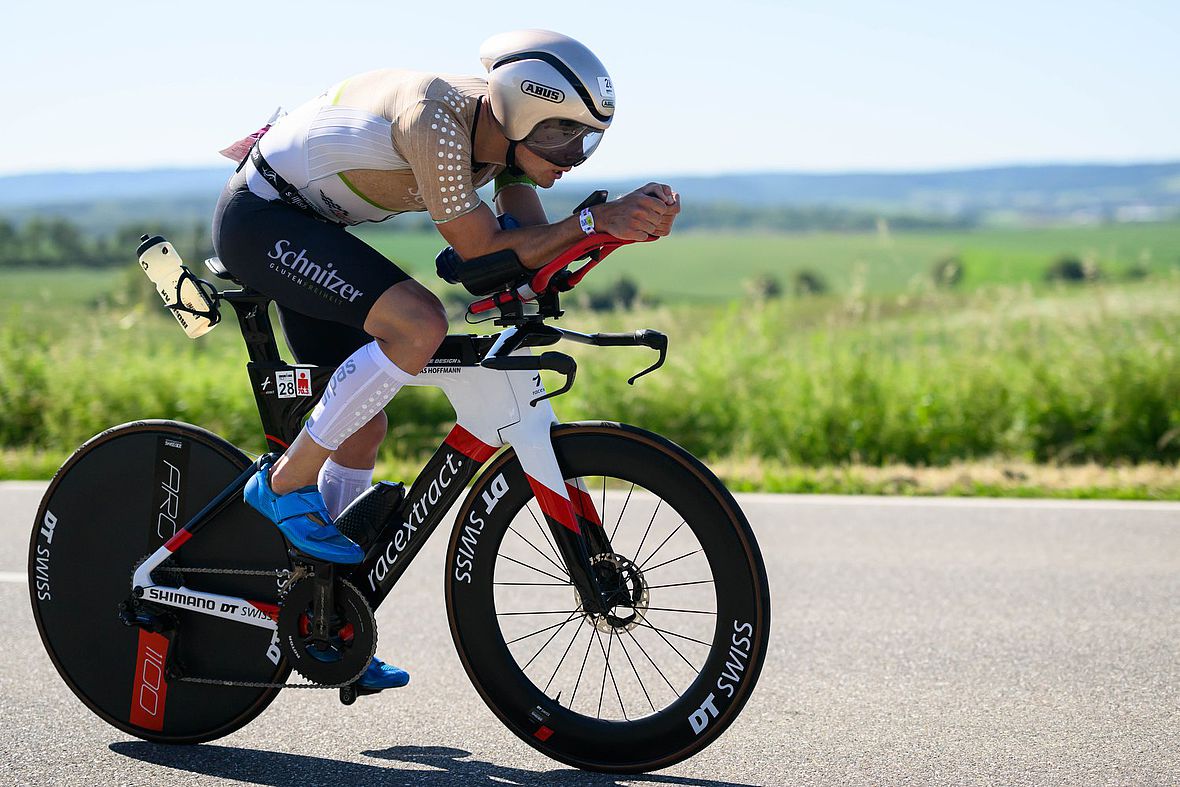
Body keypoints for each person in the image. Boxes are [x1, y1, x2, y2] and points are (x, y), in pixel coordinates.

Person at [211, 29, 680, 691]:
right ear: (519, 116)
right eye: (561, 138)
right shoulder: (435, 118)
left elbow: (519, 255)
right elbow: (483, 246)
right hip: (261, 219)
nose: (572, 157)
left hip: (310, 226)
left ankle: (329, 611)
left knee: (363, 420)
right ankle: (285, 482)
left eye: (586, 140)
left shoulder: (509, 146)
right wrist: (591, 225)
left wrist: (608, 233)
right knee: (419, 322)